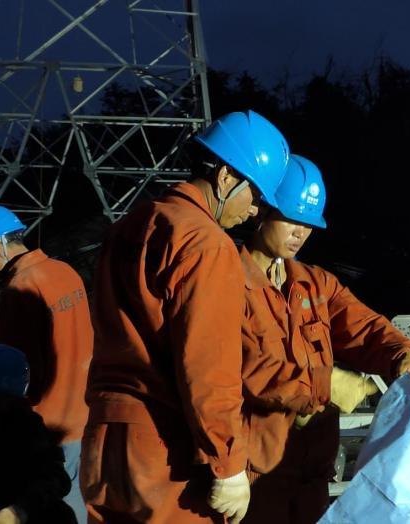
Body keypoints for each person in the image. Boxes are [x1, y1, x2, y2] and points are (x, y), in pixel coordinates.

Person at [81, 110, 290, 523]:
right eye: (256, 196)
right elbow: (208, 364)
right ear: (226, 177)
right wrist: (228, 462)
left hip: (105, 440)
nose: (254, 212)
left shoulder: (131, 225)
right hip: (162, 449)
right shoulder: (206, 243)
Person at [238, 154, 410, 524]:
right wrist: (324, 384)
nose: (300, 233)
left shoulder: (315, 285)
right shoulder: (226, 282)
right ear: (261, 209)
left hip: (312, 478)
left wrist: (402, 355)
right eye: (291, 219)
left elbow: (366, 329)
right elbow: (233, 367)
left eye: (309, 224)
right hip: (253, 480)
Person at [0, 207, 93, 523]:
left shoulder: (19, 289)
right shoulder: (63, 270)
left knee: (48, 506)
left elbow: (12, 374)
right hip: (81, 414)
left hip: (46, 428)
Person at [0, 344, 77, 524]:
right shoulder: (28, 424)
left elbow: (56, 479)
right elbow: (58, 479)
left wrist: (19, 511)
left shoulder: (25, 425)